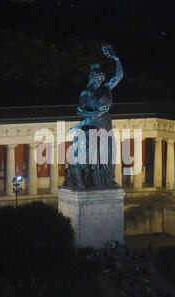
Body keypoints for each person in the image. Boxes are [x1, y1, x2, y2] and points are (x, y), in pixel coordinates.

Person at [63, 44, 124, 190]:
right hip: (91, 126)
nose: (100, 80)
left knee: (109, 155)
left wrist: (116, 59)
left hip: (106, 125)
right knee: (90, 157)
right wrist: (94, 114)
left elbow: (119, 76)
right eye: (97, 78)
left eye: (101, 78)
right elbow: (79, 110)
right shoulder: (85, 94)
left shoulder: (106, 88)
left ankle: (106, 181)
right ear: (93, 79)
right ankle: (90, 181)